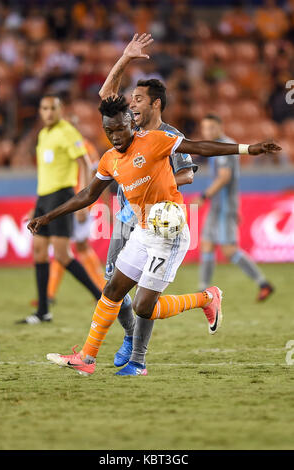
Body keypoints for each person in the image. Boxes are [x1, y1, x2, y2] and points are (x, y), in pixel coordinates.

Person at [27, 95, 281, 376]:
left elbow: (200, 147)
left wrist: (248, 149)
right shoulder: (109, 160)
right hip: (143, 232)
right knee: (111, 290)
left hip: (169, 235)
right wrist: (47, 218)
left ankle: (207, 298)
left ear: (130, 123)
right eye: (108, 131)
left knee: (143, 308)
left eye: (119, 129)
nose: (115, 137)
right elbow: (88, 194)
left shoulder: (155, 140)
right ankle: (87, 357)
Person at [98, 33, 198, 376]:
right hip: (126, 218)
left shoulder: (170, 137)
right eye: (131, 100)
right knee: (111, 282)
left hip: (157, 221)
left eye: (138, 99)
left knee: (144, 294)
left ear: (155, 103)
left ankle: (137, 355)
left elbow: (187, 176)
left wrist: (154, 179)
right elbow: (105, 96)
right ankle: (129, 336)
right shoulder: (129, 127)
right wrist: (125, 58)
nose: (132, 104)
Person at [18, 94, 102, 324]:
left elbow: (84, 164)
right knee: (39, 252)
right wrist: (37, 206)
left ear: (60, 109)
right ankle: (43, 311)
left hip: (61, 197)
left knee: (63, 255)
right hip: (43, 198)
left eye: (52, 108)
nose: (48, 113)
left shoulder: (67, 131)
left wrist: (84, 199)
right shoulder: (43, 134)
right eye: (44, 108)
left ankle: (101, 297)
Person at [195, 114, 274, 301]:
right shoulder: (219, 145)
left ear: (220, 126)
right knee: (206, 244)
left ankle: (264, 284)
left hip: (223, 207)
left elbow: (224, 177)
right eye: (205, 128)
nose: (208, 131)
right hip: (219, 206)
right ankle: (203, 293)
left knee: (229, 251)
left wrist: (204, 195)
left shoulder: (225, 146)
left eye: (211, 127)